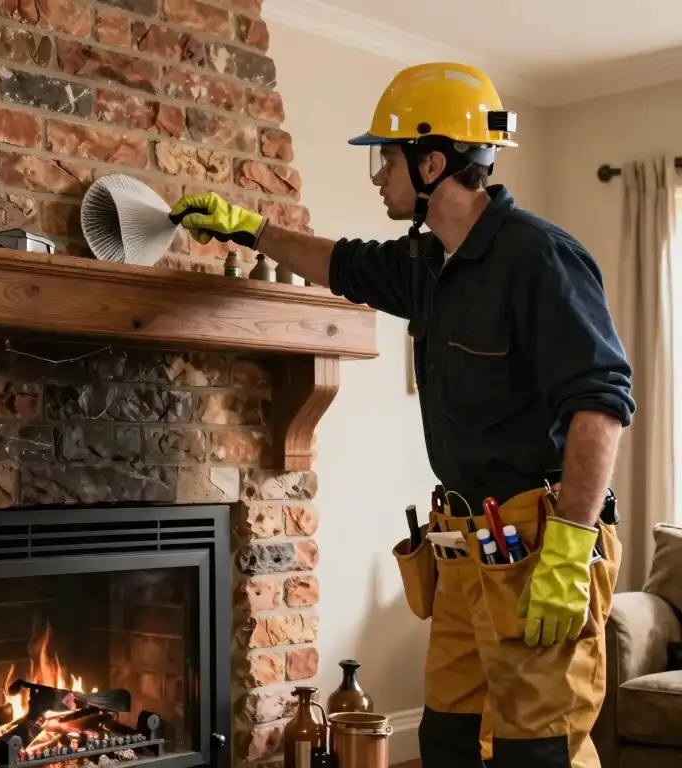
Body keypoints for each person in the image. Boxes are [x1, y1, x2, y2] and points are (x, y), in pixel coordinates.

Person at [170, 62, 635, 768]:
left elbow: (601, 407)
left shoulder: (539, 258)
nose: (376, 175)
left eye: (384, 157)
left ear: (433, 161)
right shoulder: (432, 265)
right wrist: (251, 231)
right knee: (447, 740)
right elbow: (343, 265)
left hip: (540, 548)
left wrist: (570, 546)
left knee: (537, 752)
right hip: (465, 551)